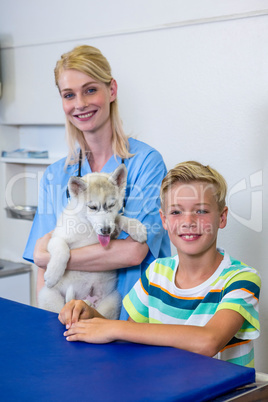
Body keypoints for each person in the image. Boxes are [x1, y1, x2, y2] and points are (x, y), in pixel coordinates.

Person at [59, 161, 261, 367]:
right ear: (163, 220)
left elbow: (208, 341)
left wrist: (112, 327)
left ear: (222, 217)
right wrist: (91, 315)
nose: (188, 221)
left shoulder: (242, 279)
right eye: (176, 212)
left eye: (200, 211)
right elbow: (129, 336)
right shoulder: (155, 273)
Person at [23, 45, 170, 320]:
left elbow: (134, 252)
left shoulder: (146, 163)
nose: (79, 104)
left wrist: (56, 257)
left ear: (111, 90)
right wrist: (49, 322)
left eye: (90, 90)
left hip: (133, 321)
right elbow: (42, 266)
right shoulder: (57, 174)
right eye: (69, 95)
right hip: (68, 322)